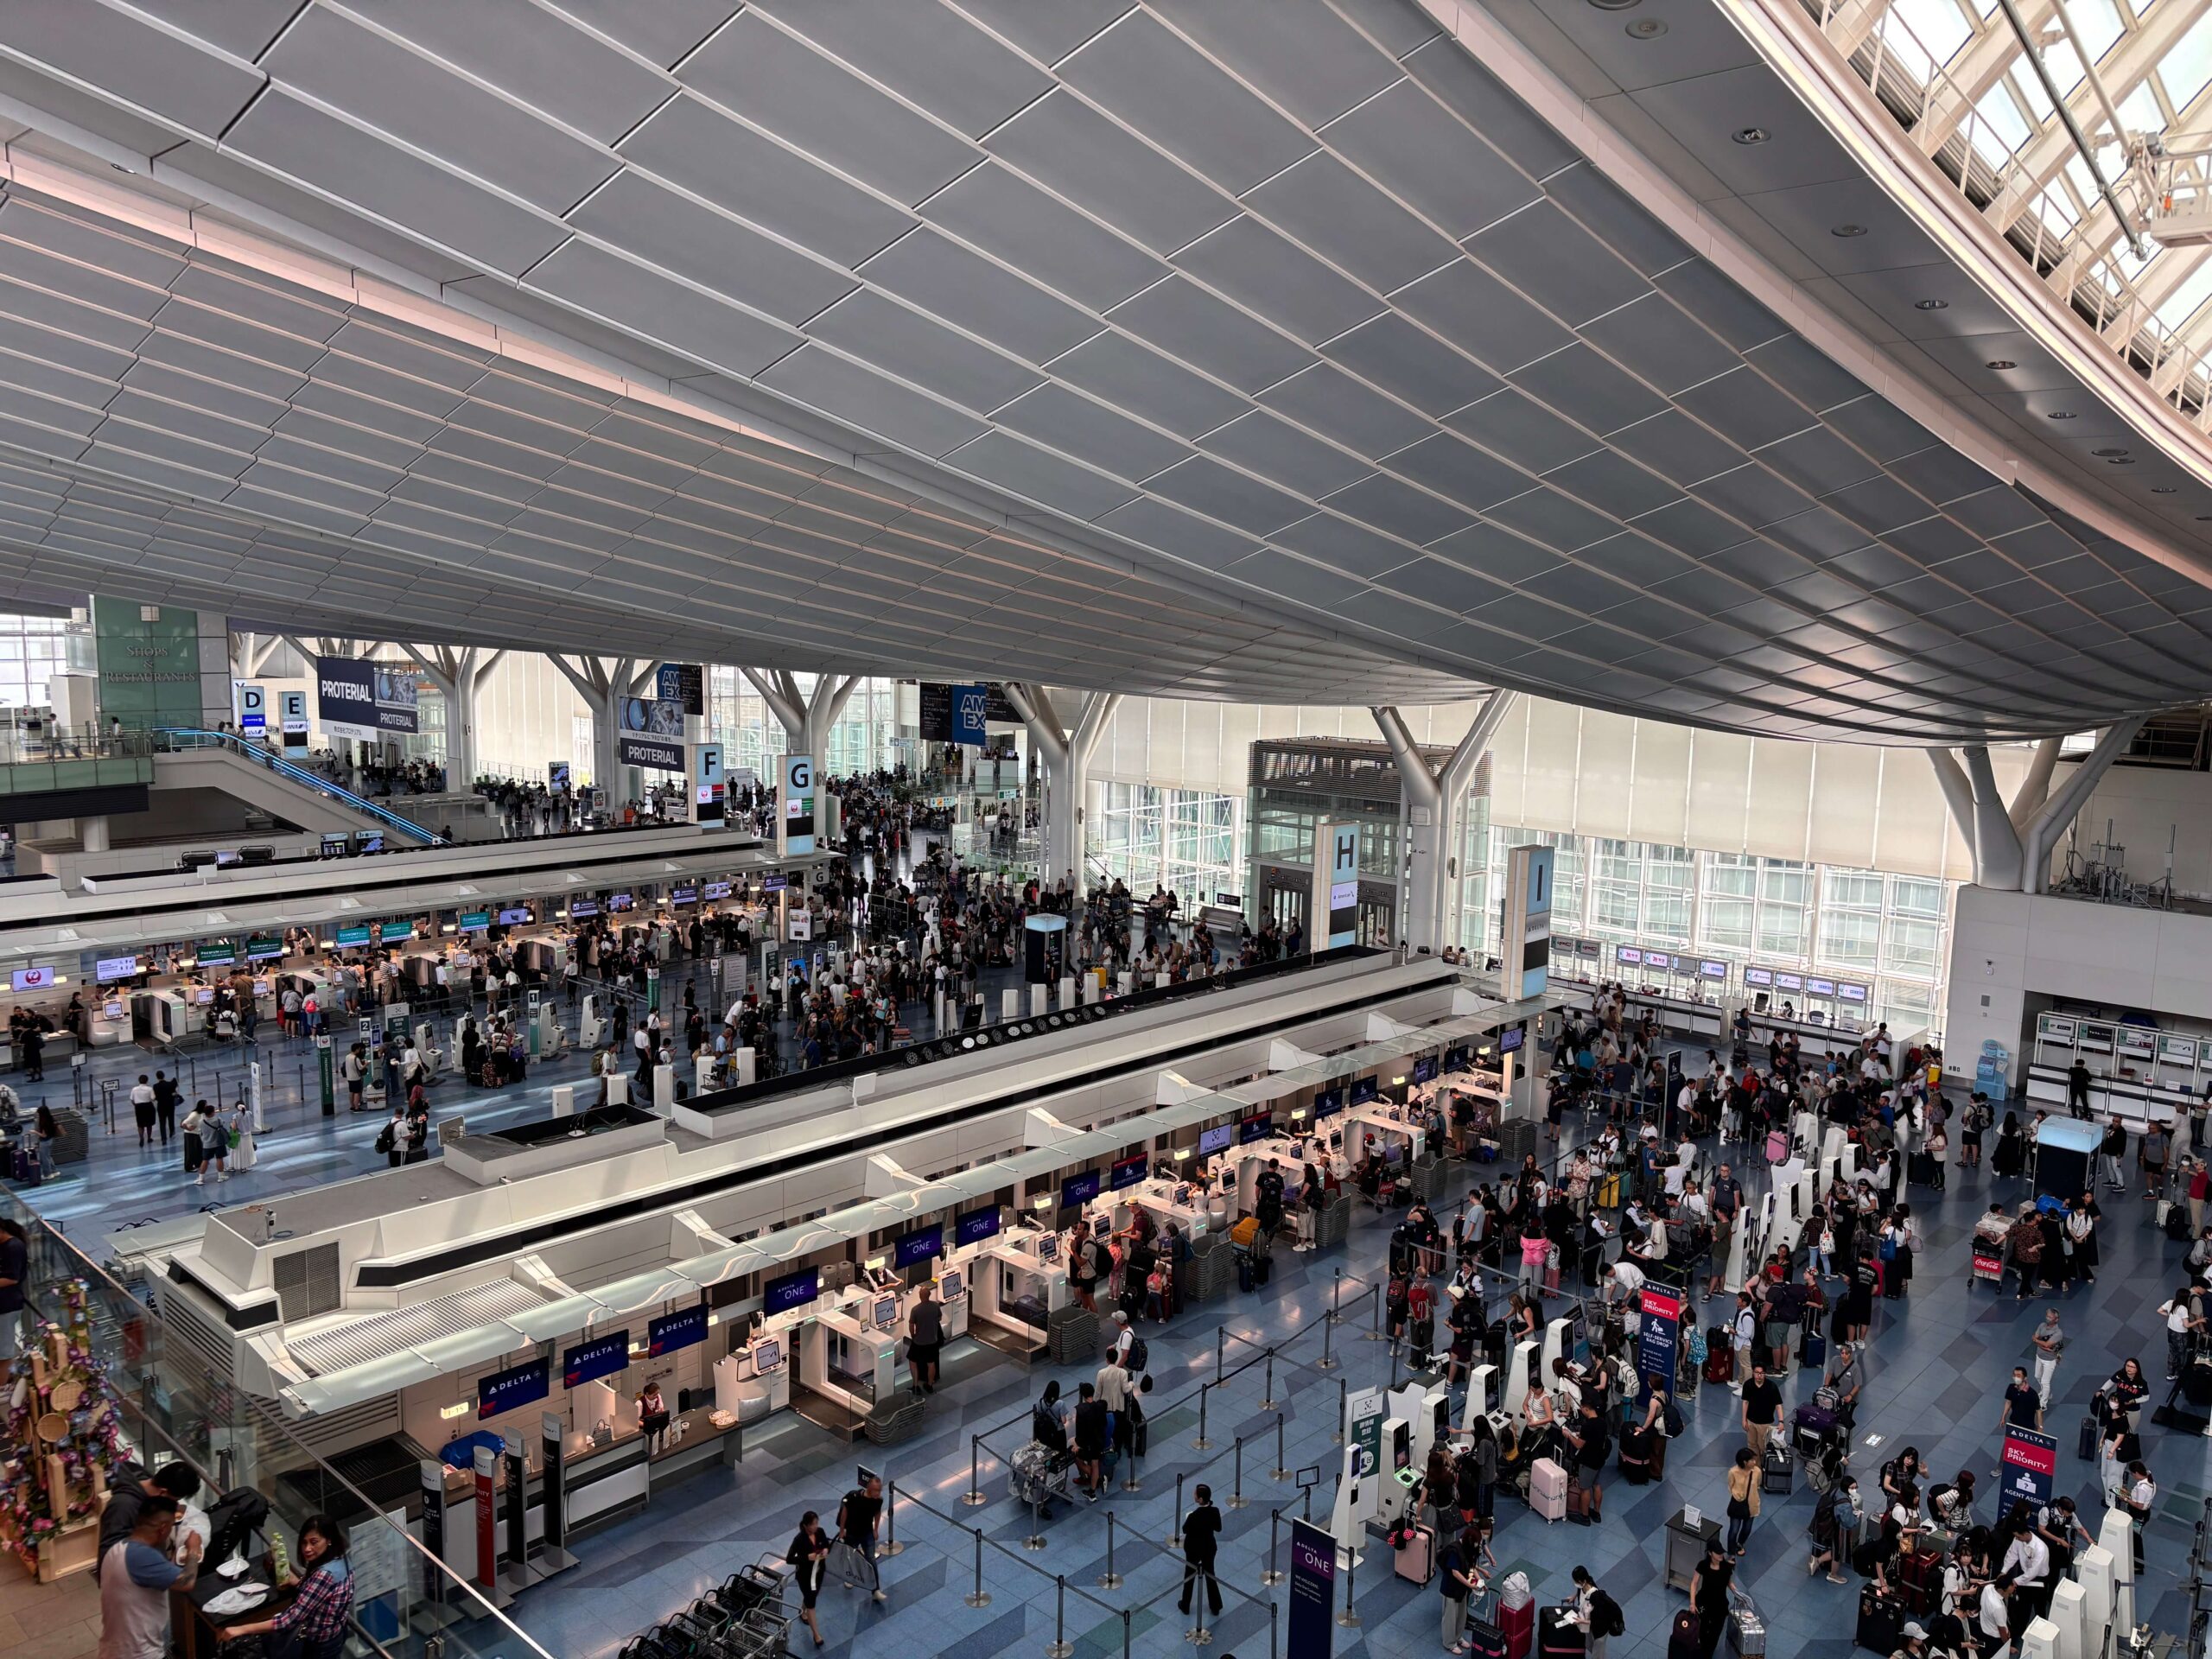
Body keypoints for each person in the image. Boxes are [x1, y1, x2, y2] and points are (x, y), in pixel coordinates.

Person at [213, 1513, 352, 1659]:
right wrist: (298, 1582)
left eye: (314, 1542)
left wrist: (242, 1629)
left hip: (318, 1644)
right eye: (304, 1542)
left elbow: (288, 1620)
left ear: (328, 1540)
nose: (307, 1548)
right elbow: (321, 1596)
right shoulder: (341, 1559)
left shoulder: (324, 1575)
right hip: (336, 1634)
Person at [98, 1494, 201, 1659]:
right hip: (139, 1653)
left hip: (114, 1649)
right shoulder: (141, 1557)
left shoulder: (117, 1550)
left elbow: (156, 1574)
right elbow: (186, 1582)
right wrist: (194, 1550)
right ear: (162, 1529)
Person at [836, 1474, 887, 1602]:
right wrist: (842, 1530)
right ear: (869, 1488)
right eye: (876, 1490)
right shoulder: (854, 1497)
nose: (878, 1493)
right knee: (850, 1556)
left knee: (871, 1560)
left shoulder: (878, 1500)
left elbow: (877, 1512)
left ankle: (875, 1589)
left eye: (879, 1490)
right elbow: (844, 1512)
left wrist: (875, 1529)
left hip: (867, 1533)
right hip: (852, 1533)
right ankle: (849, 1577)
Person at [1179, 1483, 1224, 1623]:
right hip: (1209, 1547)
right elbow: (1218, 1528)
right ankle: (1215, 1606)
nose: (1194, 1495)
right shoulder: (1215, 1511)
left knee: (1189, 1575)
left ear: (1200, 1500)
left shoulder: (1193, 1516)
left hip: (1193, 1548)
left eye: (1195, 1494)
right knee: (1210, 1574)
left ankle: (1185, 1604)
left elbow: (1185, 1530)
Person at [785, 1510, 830, 1649]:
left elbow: (826, 1544)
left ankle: (802, 1609)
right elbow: (789, 1559)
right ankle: (816, 1634)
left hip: (819, 1572)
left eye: (816, 1523)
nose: (815, 1527)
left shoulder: (820, 1532)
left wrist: (826, 1550)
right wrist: (806, 1558)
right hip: (805, 1576)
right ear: (805, 1526)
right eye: (812, 1524)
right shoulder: (799, 1539)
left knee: (812, 1595)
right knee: (811, 1603)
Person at [1688, 1539, 1732, 1659]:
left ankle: (1707, 1654)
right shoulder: (1703, 1565)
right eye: (1717, 1553)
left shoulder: (1727, 1567)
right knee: (1703, 1631)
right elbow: (1694, 1583)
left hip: (1720, 1606)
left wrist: (1737, 1593)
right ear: (1710, 1553)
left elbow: (1729, 1583)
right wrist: (1692, 1603)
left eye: (1721, 1552)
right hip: (1704, 1603)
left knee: (1715, 1634)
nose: (1720, 1555)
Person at [1571, 1565, 1622, 1659]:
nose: (1575, 1584)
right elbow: (1579, 1591)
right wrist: (1573, 1597)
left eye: (1576, 1582)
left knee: (1597, 1654)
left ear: (1583, 1581)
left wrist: (1581, 1621)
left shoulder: (1596, 1598)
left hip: (1600, 1631)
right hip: (1590, 1628)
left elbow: (1598, 1621)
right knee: (1590, 1645)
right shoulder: (1583, 1585)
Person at [906, 1283, 944, 1395]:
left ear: (920, 1296)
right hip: (932, 1340)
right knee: (931, 1363)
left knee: (913, 1361)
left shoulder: (915, 1310)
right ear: (929, 1295)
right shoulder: (935, 1306)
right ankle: (930, 1385)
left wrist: (913, 1336)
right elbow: (939, 1318)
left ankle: (915, 1386)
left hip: (919, 1341)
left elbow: (911, 1325)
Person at [1725, 1446, 1760, 1560]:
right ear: (1745, 1462)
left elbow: (1758, 1484)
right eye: (1752, 1460)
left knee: (1747, 1528)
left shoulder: (1757, 1471)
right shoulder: (1733, 1472)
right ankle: (1731, 1551)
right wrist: (1737, 1494)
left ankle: (1740, 1544)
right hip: (1738, 1504)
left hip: (1752, 1504)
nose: (1754, 1462)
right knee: (1734, 1529)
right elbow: (1730, 1486)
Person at [1740, 1363, 1782, 1459]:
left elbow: (1778, 1405)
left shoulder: (1772, 1387)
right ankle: (1755, 1467)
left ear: (1765, 1374)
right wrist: (1744, 1419)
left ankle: (1764, 1465)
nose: (1759, 1375)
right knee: (1752, 1445)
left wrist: (1781, 1421)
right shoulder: (1748, 1385)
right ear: (1753, 1373)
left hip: (1765, 1423)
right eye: (1757, 1372)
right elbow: (1745, 1402)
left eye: (1762, 1373)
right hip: (1751, 1421)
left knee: (1763, 1446)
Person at [0, 1217, 28, 1360]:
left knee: (3, 1354)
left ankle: (3, 1382)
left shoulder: (13, 1247)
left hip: (7, 1306)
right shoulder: (3, 1245)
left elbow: (12, 1278)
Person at [2031, 1308, 2063, 1408]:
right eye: (2047, 1316)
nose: (2047, 1318)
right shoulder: (2042, 1326)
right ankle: (2046, 1393)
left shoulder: (2058, 1333)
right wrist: (2042, 1345)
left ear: (2056, 1319)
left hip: (2049, 1360)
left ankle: (2043, 1404)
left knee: (2045, 1382)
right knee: (2037, 1376)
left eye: (2050, 1317)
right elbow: (2034, 1338)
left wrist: (2039, 1342)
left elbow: (2047, 1344)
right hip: (2039, 1356)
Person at [1999, 1365, 2042, 1433]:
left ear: (2025, 1378)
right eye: (2014, 1375)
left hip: (2028, 1428)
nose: (2016, 1377)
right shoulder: (2011, 1388)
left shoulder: (2032, 1394)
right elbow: (2008, 1402)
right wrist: (2003, 1417)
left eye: (2018, 1375)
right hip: (2013, 1423)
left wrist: (2040, 1427)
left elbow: (2038, 1411)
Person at [636, 1378, 670, 1453]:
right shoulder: (640, 1403)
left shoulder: (658, 1397)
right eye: (654, 1395)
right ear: (647, 1394)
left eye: (657, 1394)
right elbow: (635, 1421)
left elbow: (662, 1410)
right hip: (644, 1429)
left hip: (655, 1426)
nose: (656, 1396)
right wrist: (647, 1425)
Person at [129, 1075, 156, 1147]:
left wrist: (136, 1105)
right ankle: (149, 1138)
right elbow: (153, 1098)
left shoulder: (134, 1089)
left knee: (140, 1124)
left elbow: (132, 1099)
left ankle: (141, 1138)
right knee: (149, 1124)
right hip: (148, 1106)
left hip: (139, 1107)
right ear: (147, 1081)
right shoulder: (150, 1089)